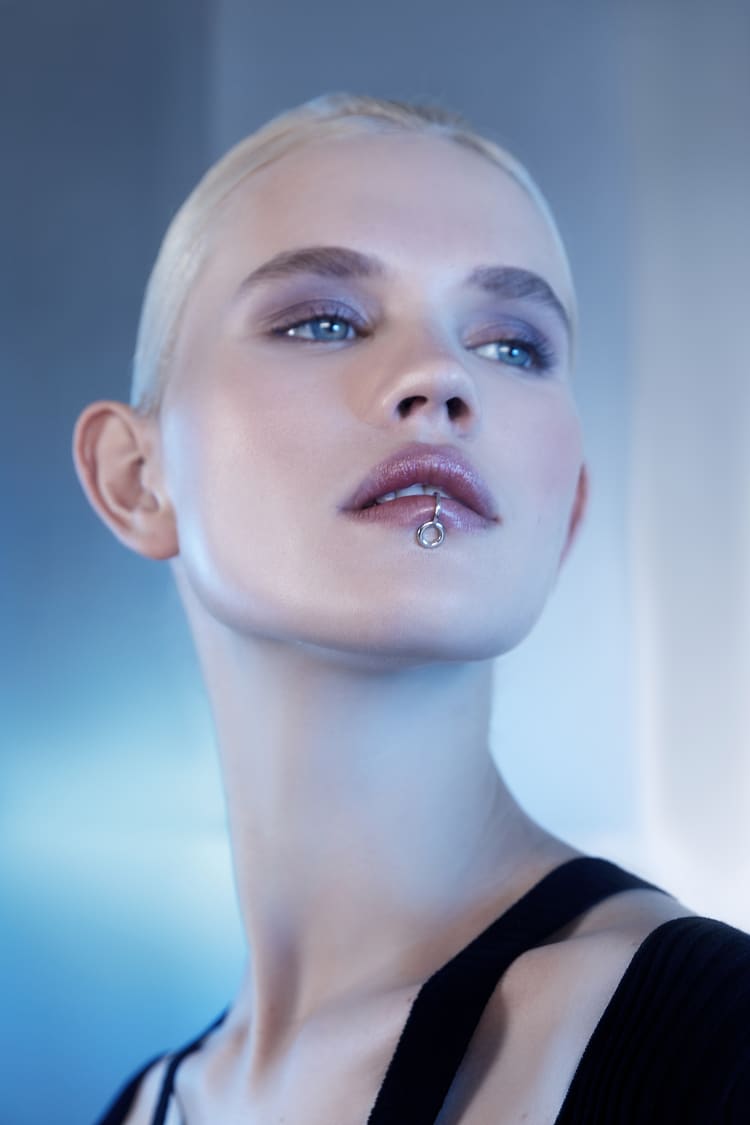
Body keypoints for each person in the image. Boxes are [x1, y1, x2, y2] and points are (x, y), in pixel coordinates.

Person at [74, 94, 750, 1124]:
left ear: (564, 511)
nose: (440, 376)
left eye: (513, 345)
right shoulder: (140, 1105)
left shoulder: (719, 1043)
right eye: (324, 321)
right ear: (135, 478)